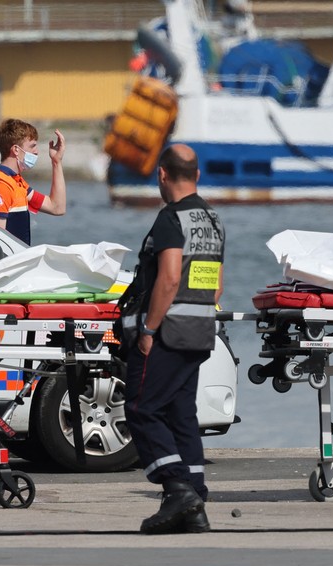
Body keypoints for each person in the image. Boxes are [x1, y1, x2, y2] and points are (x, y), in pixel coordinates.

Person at [120, 144, 225, 534]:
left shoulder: (171, 218)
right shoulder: (213, 220)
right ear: (196, 175)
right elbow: (215, 286)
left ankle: (178, 488)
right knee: (182, 415)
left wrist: (148, 329)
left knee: (142, 409)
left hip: (166, 332)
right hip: (198, 333)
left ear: (162, 174)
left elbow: (168, 278)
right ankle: (194, 502)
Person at [0, 118, 66, 245]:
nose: (37, 151)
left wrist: (56, 161)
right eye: (32, 146)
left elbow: (57, 207)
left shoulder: (16, 182)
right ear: (16, 150)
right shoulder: (0, 185)